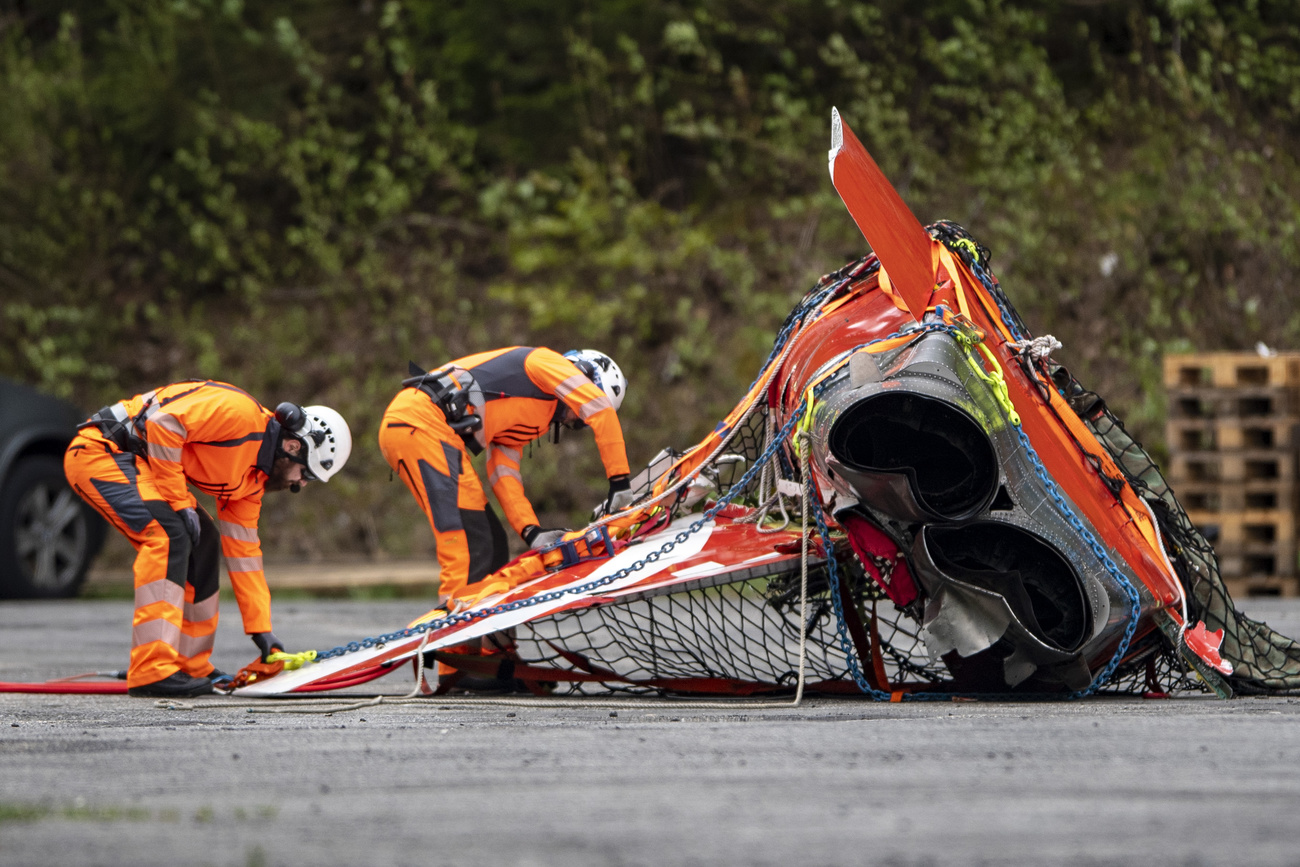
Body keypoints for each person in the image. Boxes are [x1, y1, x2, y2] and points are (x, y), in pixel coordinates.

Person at [63, 380, 351, 698]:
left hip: (141, 463)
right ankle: (151, 670)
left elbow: (245, 556)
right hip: (101, 451)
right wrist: (179, 500)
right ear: (294, 447)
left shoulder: (252, 481)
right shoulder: (239, 415)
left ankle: (189, 665)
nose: (302, 484)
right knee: (169, 534)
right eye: (305, 474)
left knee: (206, 540)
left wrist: (262, 631)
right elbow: (164, 424)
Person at [378, 347, 635, 604]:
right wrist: (620, 482)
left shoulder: (537, 417)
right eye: (579, 414)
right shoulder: (546, 362)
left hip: (422, 429)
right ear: (586, 375)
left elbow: (503, 470)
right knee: (471, 541)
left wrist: (531, 530)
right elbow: (601, 410)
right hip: (421, 421)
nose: (574, 418)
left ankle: (492, 643)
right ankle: (450, 633)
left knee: (494, 544)